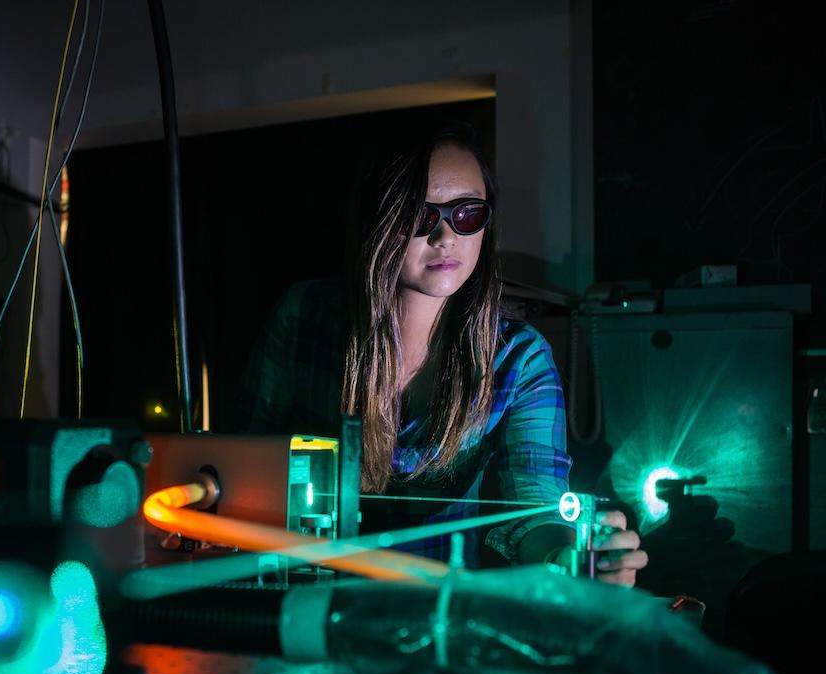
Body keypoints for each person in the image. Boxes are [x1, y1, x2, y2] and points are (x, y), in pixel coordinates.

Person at [235, 122, 647, 585]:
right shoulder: (305, 317)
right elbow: (246, 469)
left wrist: (566, 555)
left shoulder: (519, 359)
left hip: (442, 616)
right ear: (380, 217)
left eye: (468, 214)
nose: (447, 236)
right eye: (421, 215)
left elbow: (535, 504)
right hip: (308, 608)